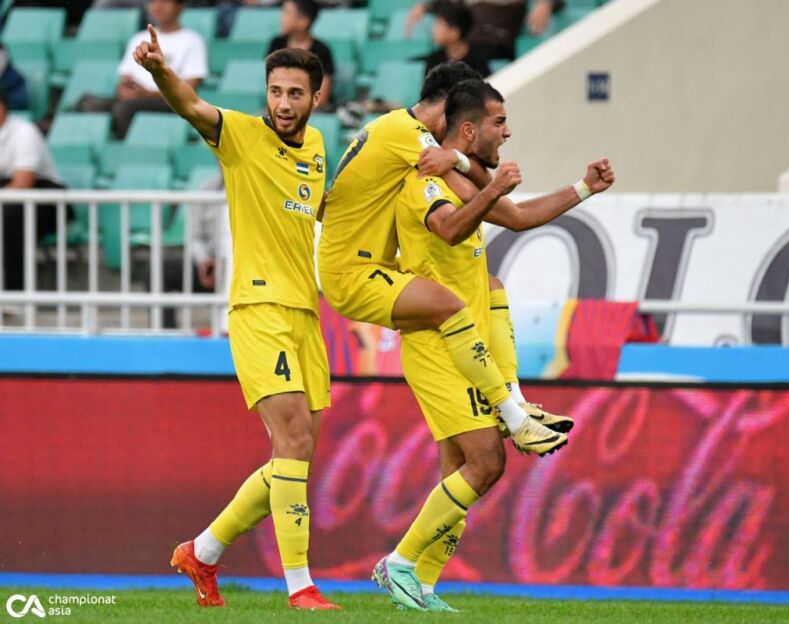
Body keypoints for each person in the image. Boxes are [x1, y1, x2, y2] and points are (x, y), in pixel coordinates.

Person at [372, 79, 614, 612]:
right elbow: (449, 230)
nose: (507, 132)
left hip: (467, 344)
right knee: (486, 463)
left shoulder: (460, 176)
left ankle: (422, 587)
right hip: (437, 346)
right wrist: (491, 188)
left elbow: (520, 217)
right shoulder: (426, 178)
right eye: (499, 122)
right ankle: (401, 563)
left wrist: (584, 188)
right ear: (467, 128)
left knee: (458, 472)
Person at [132, 26, 340, 610]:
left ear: (316, 96)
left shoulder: (317, 146)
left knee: (295, 454)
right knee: (293, 440)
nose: (283, 103)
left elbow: (320, 208)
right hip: (258, 308)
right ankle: (300, 586)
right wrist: (160, 71)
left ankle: (202, 552)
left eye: (295, 93)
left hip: (305, 313)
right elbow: (193, 107)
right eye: (275, 91)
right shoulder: (242, 136)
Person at [319, 62, 571, 457]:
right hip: (352, 274)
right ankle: (513, 415)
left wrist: (582, 187)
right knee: (449, 305)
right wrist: (470, 168)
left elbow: (498, 206)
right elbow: (483, 204)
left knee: (490, 286)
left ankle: (515, 399)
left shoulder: (397, 132)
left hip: (377, 265)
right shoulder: (410, 136)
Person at [79, 0, 208, 139]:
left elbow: (190, 88)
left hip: (169, 102)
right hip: (134, 98)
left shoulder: (193, 40)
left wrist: (148, 94)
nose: (158, 7)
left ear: (179, 7)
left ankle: (126, 149)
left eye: (164, 2)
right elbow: (125, 76)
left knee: (125, 108)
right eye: (153, 2)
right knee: (87, 103)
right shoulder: (138, 38)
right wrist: (125, 89)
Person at [0, 89, 69, 292]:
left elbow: (23, 182)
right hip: (9, 197)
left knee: (10, 217)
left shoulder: (25, 132)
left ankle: (16, 293)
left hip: (47, 202)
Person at [407, 0, 557, 62]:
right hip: (470, 46)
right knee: (432, 61)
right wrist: (426, 7)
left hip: (496, 47)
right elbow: (451, 10)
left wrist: (545, 3)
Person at [267, 0, 335, 108]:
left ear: (303, 22)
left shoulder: (322, 51)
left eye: (287, 13)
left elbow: (322, 97)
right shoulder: (276, 44)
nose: (281, 18)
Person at [421, 0, 490, 77]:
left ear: (454, 33)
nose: (433, 28)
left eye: (439, 23)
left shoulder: (477, 59)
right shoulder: (433, 61)